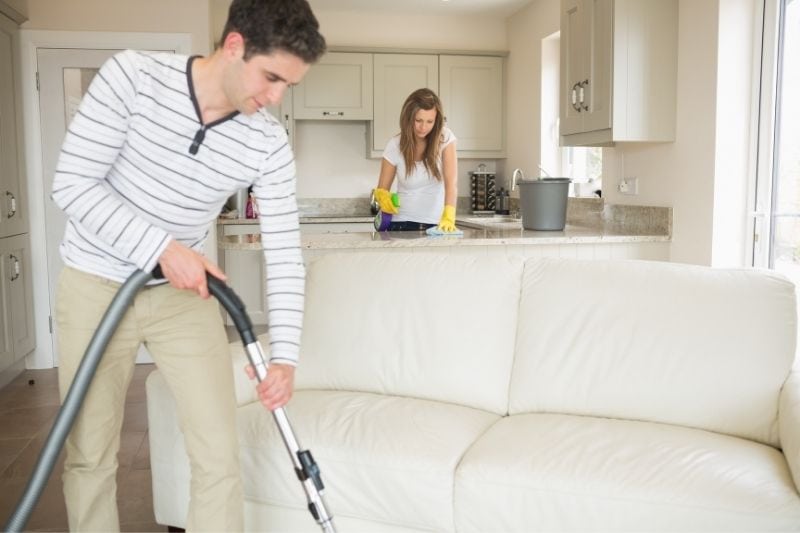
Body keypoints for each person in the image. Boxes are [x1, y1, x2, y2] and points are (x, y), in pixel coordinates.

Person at [49, 0, 325, 530]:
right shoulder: (133, 79)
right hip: (95, 284)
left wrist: (284, 356)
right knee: (89, 454)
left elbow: (285, 249)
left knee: (217, 455)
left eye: (288, 85)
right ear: (235, 45)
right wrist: (162, 248)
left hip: (185, 297)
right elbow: (73, 184)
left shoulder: (265, 140)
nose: (274, 97)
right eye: (270, 77)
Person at [373, 88, 459, 232]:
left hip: (436, 226)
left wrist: (449, 215)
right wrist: (383, 197)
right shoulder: (395, 145)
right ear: (408, 118)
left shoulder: (445, 138)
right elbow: (382, 189)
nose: (423, 127)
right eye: (418, 120)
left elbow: (452, 184)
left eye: (429, 121)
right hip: (400, 224)